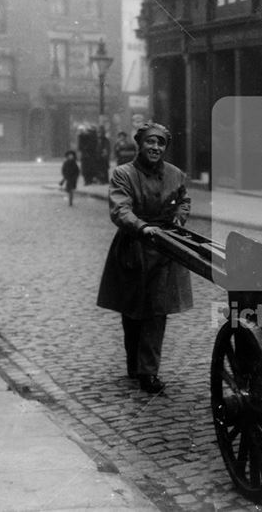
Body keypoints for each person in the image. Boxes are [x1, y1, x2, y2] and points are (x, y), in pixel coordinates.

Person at [96, 122, 193, 394]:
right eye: (151, 142)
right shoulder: (123, 174)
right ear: (140, 144)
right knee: (133, 310)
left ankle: (148, 372)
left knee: (156, 311)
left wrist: (178, 217)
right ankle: (134, 363)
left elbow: (184, 199)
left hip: (163, 249)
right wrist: (141, 226)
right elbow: (119, 209)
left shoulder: (175, 174)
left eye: (161, 144)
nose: (155, 148)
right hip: (133, 247)